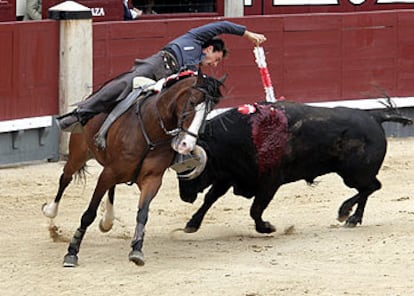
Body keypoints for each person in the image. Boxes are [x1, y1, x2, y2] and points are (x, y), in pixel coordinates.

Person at [57, 21, 267, 132]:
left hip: (168, 85)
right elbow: (223, 25)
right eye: (216, 59)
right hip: (158, 65)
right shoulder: (195, 38)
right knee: (124, 83)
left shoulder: (195, 72)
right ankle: (80, 114)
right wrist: (247, 34)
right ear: (210, 48)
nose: (214, 64)